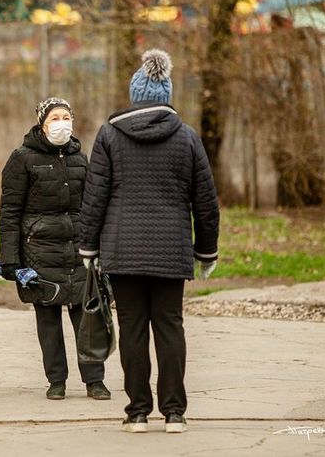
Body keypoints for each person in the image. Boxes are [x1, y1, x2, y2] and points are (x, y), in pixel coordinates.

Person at [79, 50, 220, 433]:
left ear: (134, 95)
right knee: (170, 327)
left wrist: (88, 248)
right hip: (171, 250)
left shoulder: (110, 135)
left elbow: (95, 197)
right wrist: (206, 251)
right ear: (167, 95)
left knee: (133, 329)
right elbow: (205, 201)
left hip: (123, 251)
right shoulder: (187, 137)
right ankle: (175, 413)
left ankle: (137, 412)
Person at [0, 97, 111, 401]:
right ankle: (56, 380)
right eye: (54, 118)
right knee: (48, 320)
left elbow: (92, 207)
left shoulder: (80, 158)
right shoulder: (21, 159)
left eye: (66, 117)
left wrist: (99, 248)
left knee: (87, 319)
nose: (61, 123)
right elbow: (9, 213)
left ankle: (94, 380)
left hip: (77, 252)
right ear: (41, 122)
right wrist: (10, 259)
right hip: (39, 253)